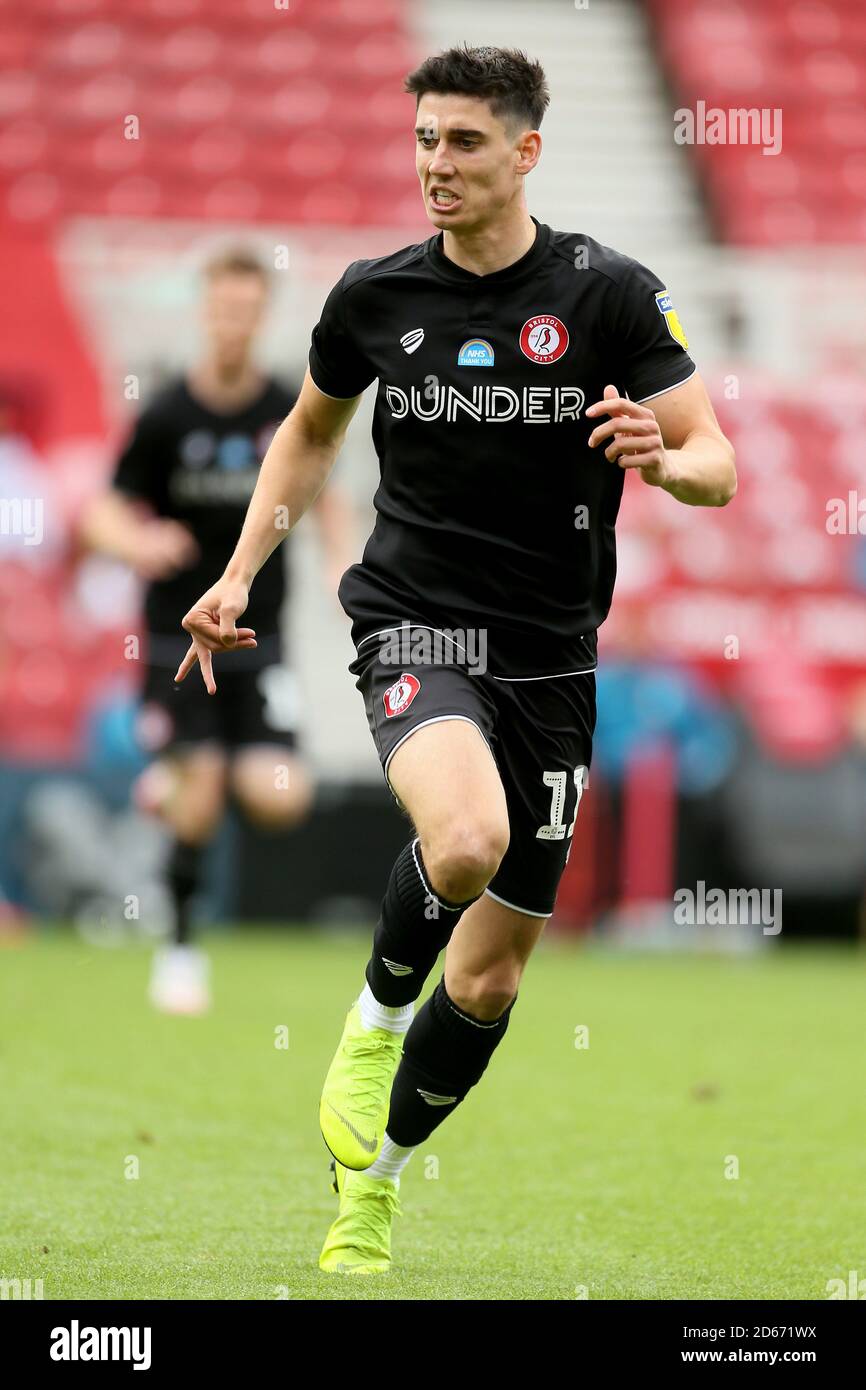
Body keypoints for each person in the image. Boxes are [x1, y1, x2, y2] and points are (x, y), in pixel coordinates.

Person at [175, 46, 736, 1270]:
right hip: (414, 621)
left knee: (486, 981)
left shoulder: (610, 296)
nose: (437, 163)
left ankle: (370, 1182)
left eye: (465, 142)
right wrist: (234, 572)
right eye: (425, 139)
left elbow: (716, 464)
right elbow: (305, 436)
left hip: (552, 657)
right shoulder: (374, 298)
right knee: (465, 840)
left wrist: (658, 453)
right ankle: (371, 1022)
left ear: (524, 152)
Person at [81, 248, 354, 1014]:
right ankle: (178, 951)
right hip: (180, 641)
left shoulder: (284, 408)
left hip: (260, 645)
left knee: (278, 797)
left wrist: (338, 561)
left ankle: (168, 778)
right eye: (222, 308)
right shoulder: (167, 414)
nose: (233, 323)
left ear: (262, 315)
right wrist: (136, 543)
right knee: (199, 800)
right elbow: (104, 510)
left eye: (247, 309)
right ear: (204, 312)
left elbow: (325, 489)